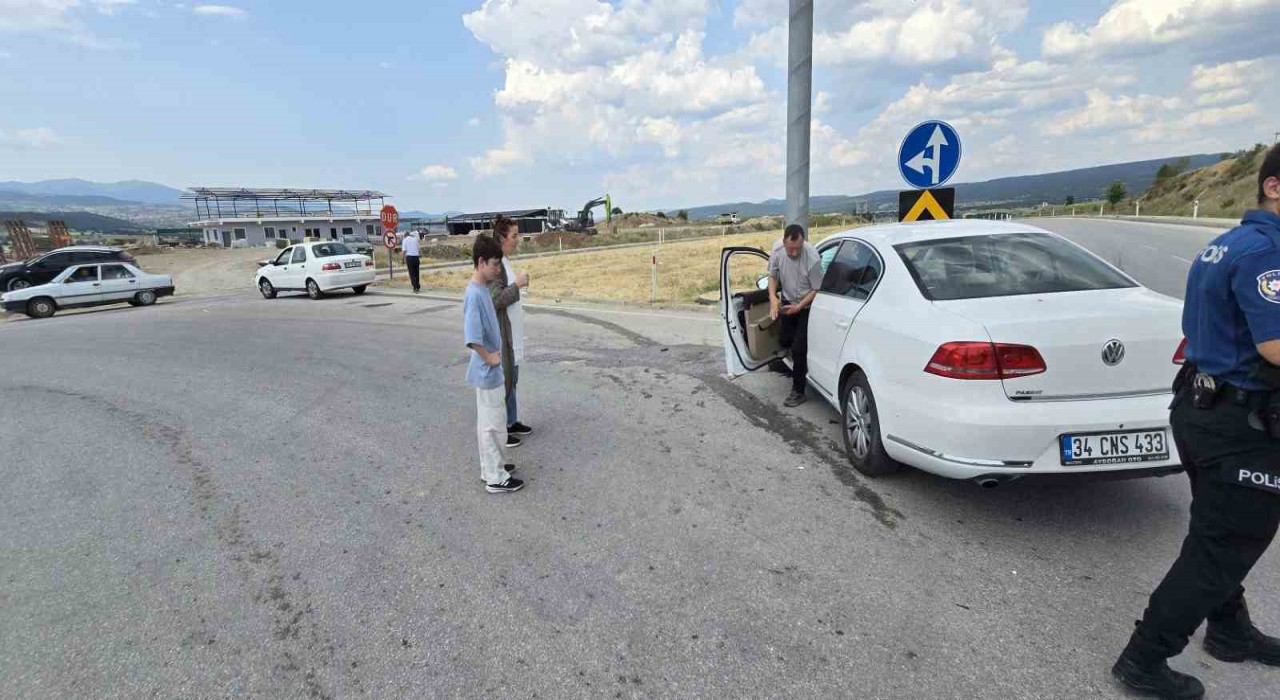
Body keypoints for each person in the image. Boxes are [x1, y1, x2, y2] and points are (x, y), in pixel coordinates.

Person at [1113, 143, 1280, 700]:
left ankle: (1230, 631)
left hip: (1203, 408)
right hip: (1238, 423)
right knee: (1227, 539)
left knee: (1218, 526)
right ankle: (1145, 657)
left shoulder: (1226, 243)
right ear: (1273, 187)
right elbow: (1275, 346)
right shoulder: (1264, 255)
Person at [463, 234, 522, 494]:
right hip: (487, 371)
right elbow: (472, 336)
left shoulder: (482, 289)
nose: (499, 270)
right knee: (494, 426)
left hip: (489, 371)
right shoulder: (475, 294)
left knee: (489, 424)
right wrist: (490, 357)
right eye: (495, 265)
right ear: (481, 262)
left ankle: (491, 468)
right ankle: (496, 479)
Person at [768, 224, 823, 407]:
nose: (793, 253)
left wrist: (799, 306)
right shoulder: (777, 251)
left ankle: (798, 391)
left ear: (803, 241)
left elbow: (816, 289)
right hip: (787, 302)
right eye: (790, 248)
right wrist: (773, 299)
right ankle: (789, 363)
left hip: (806, 306)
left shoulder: (812, 257)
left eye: (797, 248)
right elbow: (772, 276)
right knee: (784, 340)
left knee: (799, 348)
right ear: (784, 242)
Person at [491, 216, 533, 442]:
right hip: (503, 337)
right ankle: (502, 430)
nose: (517, 240)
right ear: (502, 238)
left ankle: (511, 420)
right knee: (504, 383)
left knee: (512, 381)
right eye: (514, 236)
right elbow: (496, 299)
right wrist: (517, 285)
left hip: (512, 335)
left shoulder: (505, 261)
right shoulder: (496, 266)